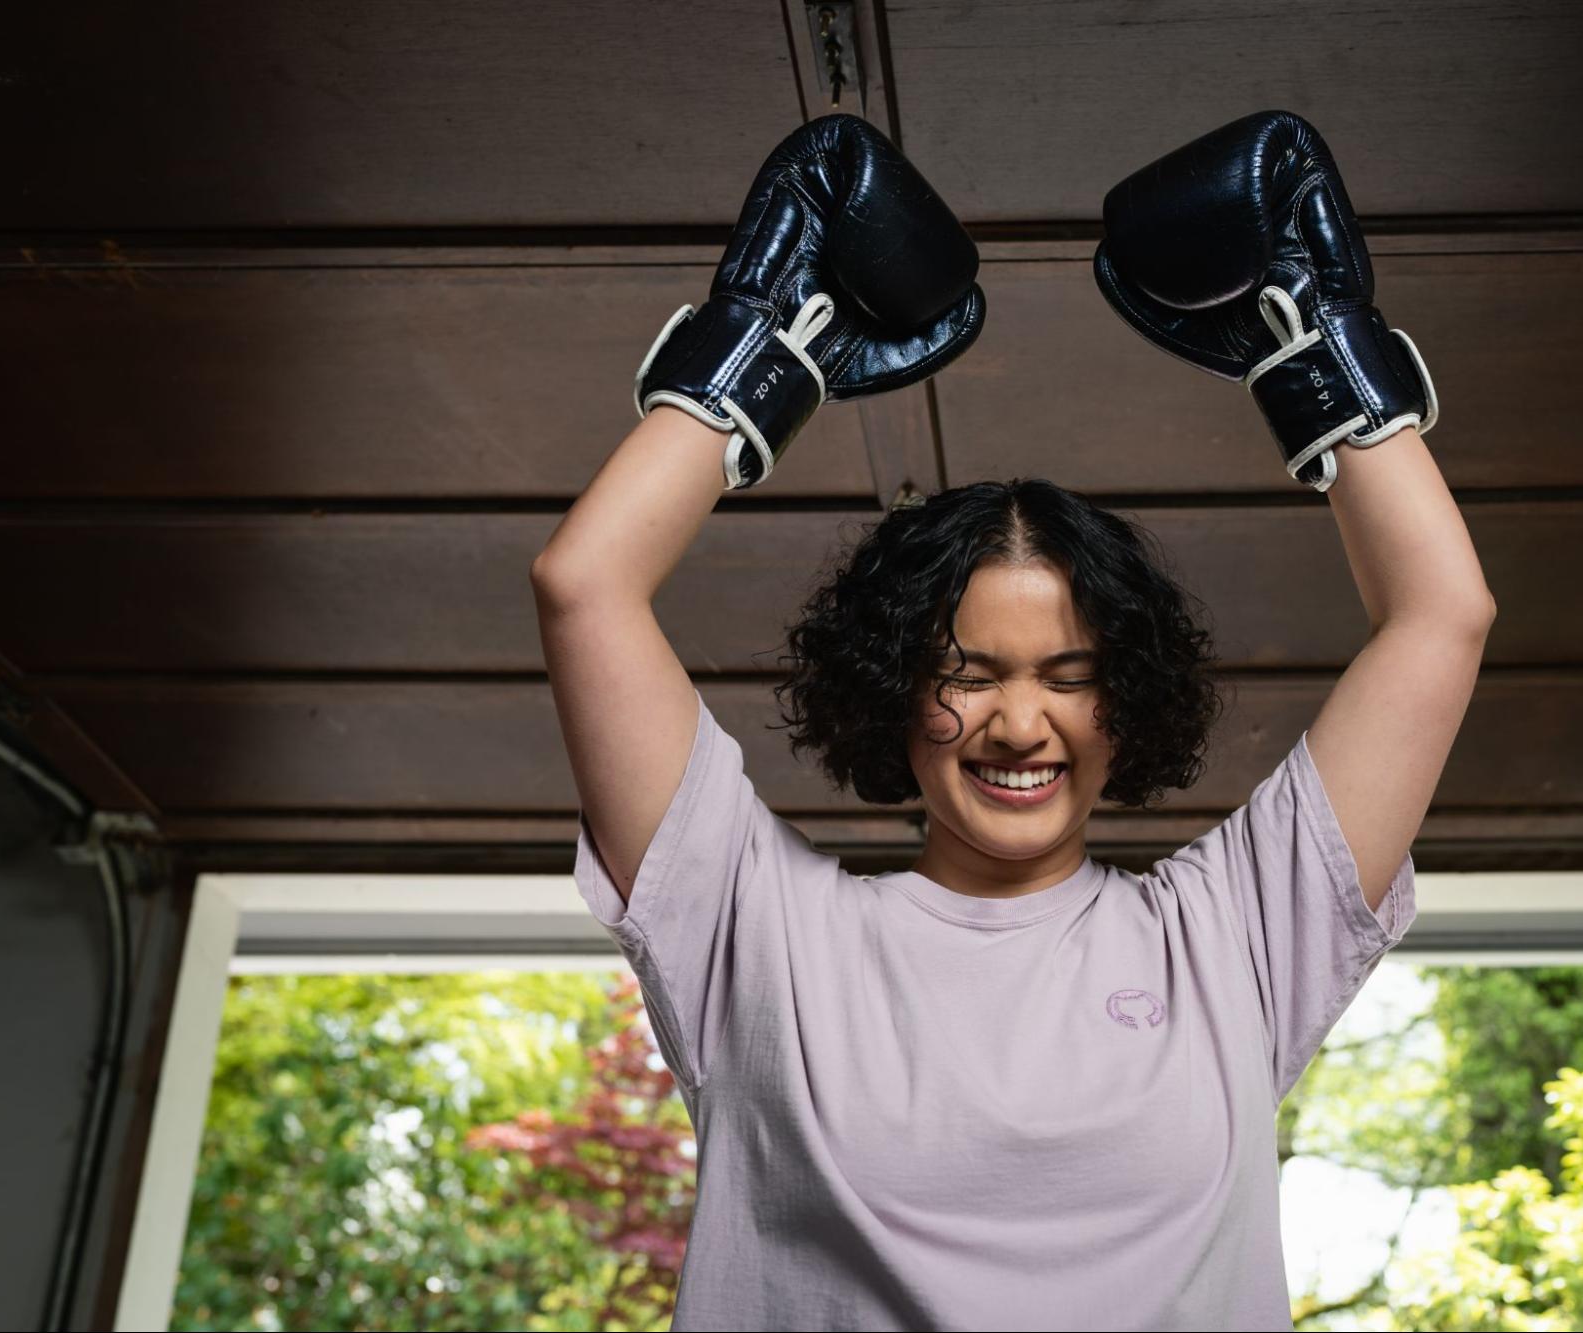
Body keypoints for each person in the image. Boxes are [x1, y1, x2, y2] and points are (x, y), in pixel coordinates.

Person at [531, 111, 1493, 1331]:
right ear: (892, 689)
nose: (1018, 723)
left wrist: (1318, 339)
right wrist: (763, 347)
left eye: (1070, 675)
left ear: (1125, 700)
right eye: (968, 672)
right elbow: (584, 586)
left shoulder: (1237, 933)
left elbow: (1441, 616)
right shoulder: (755, 929)